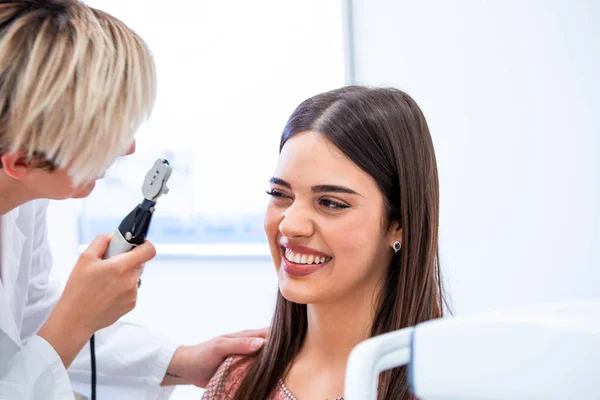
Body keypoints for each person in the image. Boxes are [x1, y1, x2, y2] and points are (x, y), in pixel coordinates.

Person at [0, 1, 266, 399]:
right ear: (20, 160)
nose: (128, 147)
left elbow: (25, 319)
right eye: (104, 133)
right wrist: (77, 319)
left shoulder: (27, 196)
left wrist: (185, 362)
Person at [201, 86, 447, 400]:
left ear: (398, 224)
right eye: (280, 195)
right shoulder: (237, 379)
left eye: (330, 203)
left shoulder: (451, 385)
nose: (290, 224)